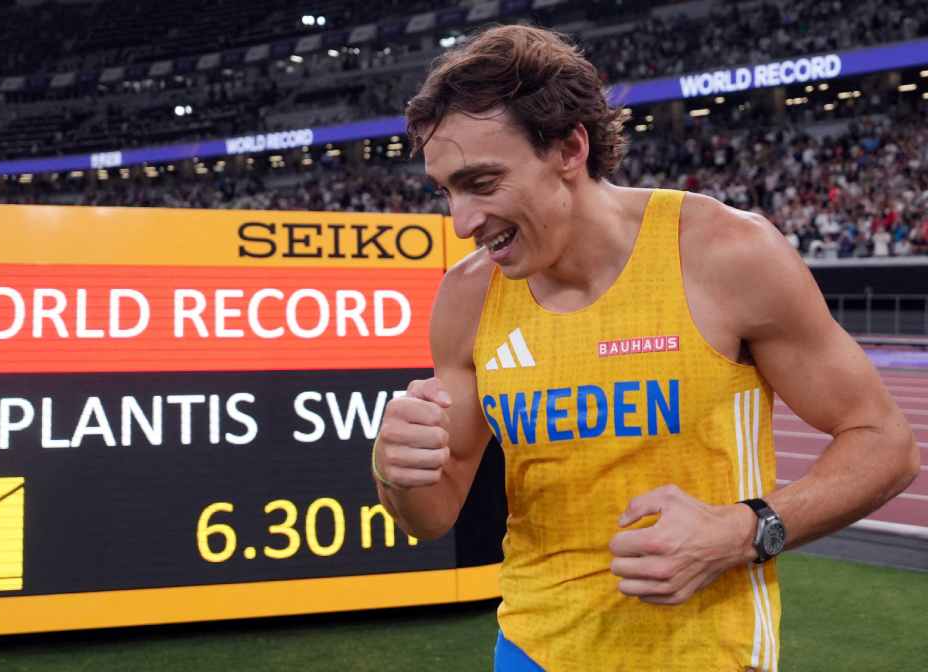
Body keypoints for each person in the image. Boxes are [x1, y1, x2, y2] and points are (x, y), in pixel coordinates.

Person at [372, 24, 918, 672]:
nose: (460, 221)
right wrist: (394, 470)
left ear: (570, 147)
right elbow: (430, 515)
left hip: (706, 655)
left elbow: (886, 442)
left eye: (482, 183)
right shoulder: (466, 300)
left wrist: (743, 531)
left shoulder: (725, 255)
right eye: (446, 190)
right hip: (530, 652)